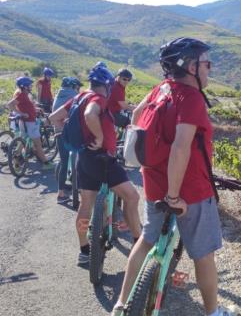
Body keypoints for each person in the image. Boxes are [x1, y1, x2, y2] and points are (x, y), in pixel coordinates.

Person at [110, 38, 238, 316]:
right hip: (188, 190)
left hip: (153, 183)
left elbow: (136, 115)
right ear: (191, 66)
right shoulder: (191, 98)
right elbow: (181, 147)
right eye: (206, 63)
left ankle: (120, 307)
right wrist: (173, 196)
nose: (209, 69)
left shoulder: (160, 89)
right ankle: (213, 315)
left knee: (146, 240)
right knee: (203, 254)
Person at [49, 65, 142, 265]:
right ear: (107, 85)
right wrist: (99, 137)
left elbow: (53, 118)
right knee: (132, 196)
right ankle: (137, 246)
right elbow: (90, 115)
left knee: (85, 205)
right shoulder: (97, 99)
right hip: (103, 159)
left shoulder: (79, 97)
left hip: (84, 158)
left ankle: (84, 251)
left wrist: (68, 135)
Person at [7, 77, 54, 170]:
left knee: (23, 140)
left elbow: (26, 106)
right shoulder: (21, 95)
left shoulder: (24, 94)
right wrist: (22, 113)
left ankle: (16, 160)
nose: (31, 86)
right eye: (29, 85)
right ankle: (45, 163)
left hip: (26, 122)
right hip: (29, 123)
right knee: (38, 144)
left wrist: (35, 109)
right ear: (24, 86)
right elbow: (10, 104)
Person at [52, 77, 82, 204]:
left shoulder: (59, 95)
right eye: (78, 86)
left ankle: (62, 188)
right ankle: (63, 194)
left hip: (58, 132)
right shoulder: (74, 96)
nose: (79, 89)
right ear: (73, 86)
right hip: (69, 133)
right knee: (76, 161)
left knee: (63, 162)